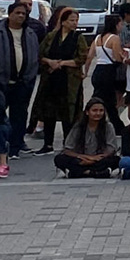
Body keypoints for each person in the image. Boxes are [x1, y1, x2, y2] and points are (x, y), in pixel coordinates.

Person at [31, 9, 87, 153]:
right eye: (71, 20)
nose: (74, 23)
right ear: (63, 22)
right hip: (51, 78)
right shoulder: (51, 36)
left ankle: (68, 144)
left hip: (69, 80)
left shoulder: (78, 37)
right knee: (48, 111)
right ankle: (47, 144)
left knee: (69, 113)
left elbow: (81, 59)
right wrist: (50, 62)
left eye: (76, 20)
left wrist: (62, 63)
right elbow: (40, 54)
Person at [0, 1, 42, 161]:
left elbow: (35, 55)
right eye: (17, 13)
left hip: (23, 82)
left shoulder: (30, 33)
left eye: (23, 14)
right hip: (1, 81)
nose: (20, 16)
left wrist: (30, 76)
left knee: (19, 116)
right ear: (9, 14)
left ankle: (15, 147)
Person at [55, 99, 122, 179]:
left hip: (99, 159)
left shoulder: (108, 126)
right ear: (87, 112)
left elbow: (111, 149)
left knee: (116, 160)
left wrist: (94, 160)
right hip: (81, 159)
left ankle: (80, 172)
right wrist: (85, 157)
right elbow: (67, 149)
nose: (98, 113)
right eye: (94, 110)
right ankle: (94, 172)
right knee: (59, 159)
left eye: (101, 111)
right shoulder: (78, 126)